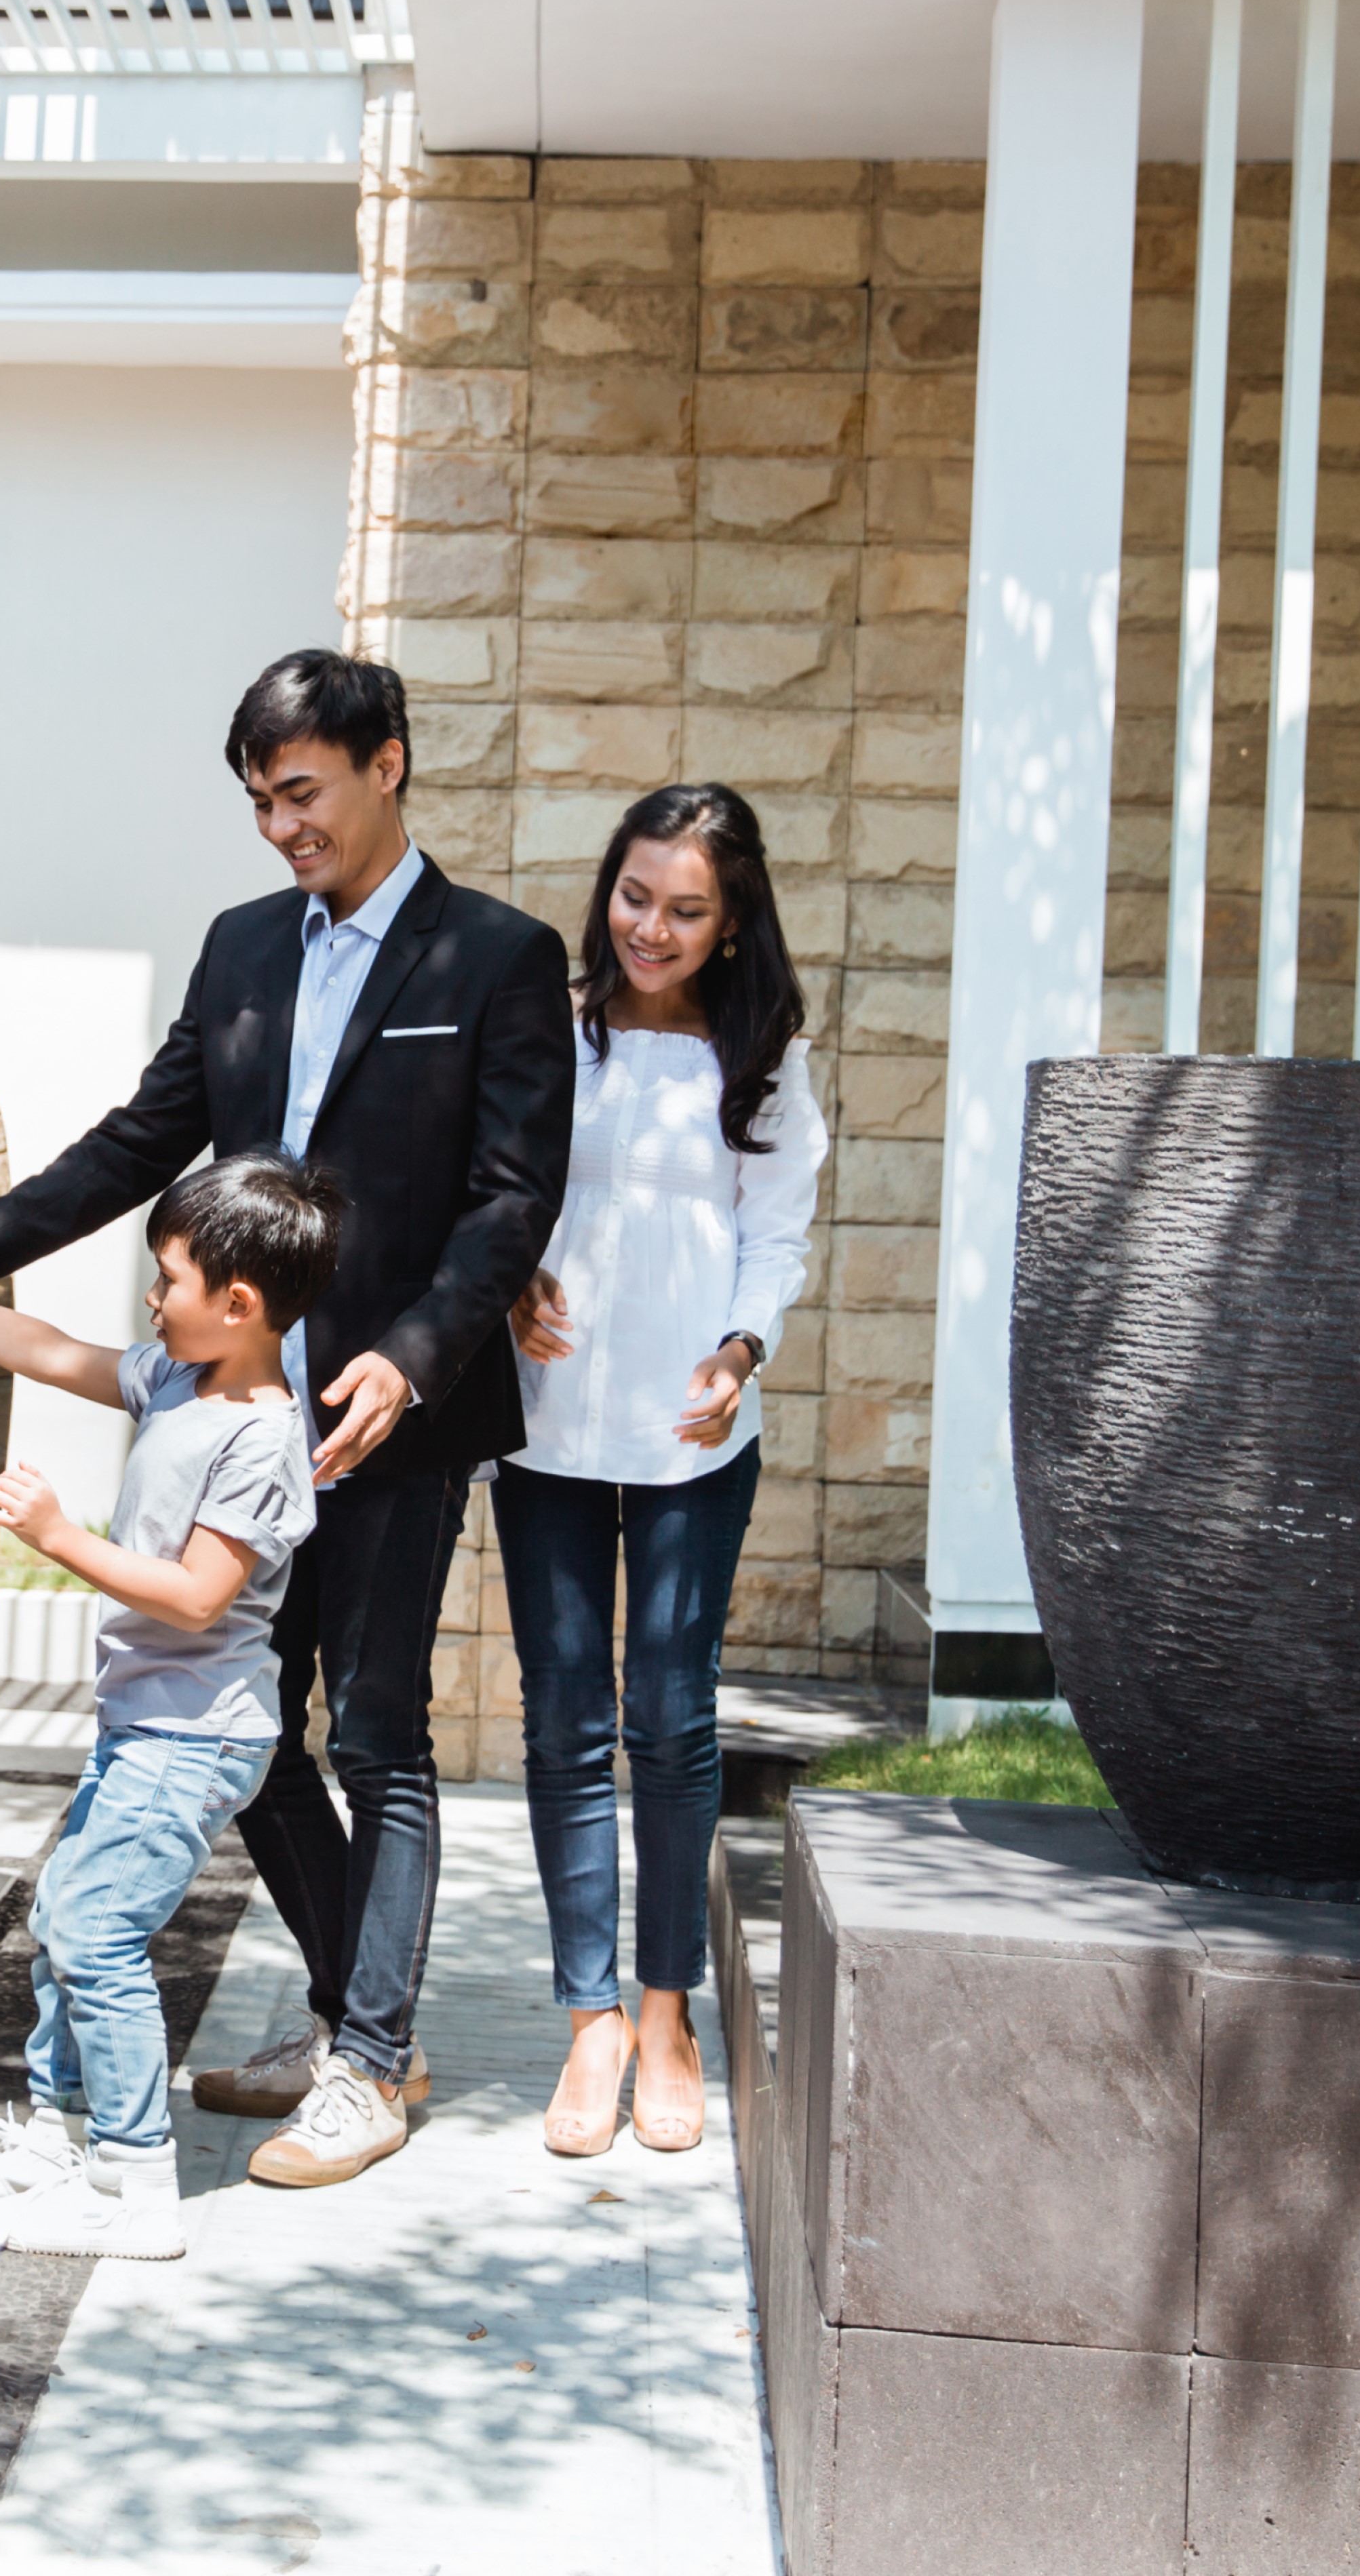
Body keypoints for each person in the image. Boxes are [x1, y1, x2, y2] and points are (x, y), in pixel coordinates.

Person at [0, 649, 570, 2191]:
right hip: (233, 1410)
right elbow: (143, 1135)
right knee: (248, 1733)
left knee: (375, 1730)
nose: (280, 828)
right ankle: (351, 2019)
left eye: (301, 792)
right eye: (259, 801)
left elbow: (514, 1196)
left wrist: (415, 1354)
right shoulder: (244, 945)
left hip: (389, 1418)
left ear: (388, 762)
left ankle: (372, 2065)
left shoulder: (500, 957)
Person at [0, 1154, 334, 2256]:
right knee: (65, 1923)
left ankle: (135, 2185)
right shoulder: (180, 1376)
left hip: (195, 1735)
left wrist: (61, 1537)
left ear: (240, 1303)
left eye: (166, 1279)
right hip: (148, 1723)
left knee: (98, 1934)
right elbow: (49, 1352)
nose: (149, 1299)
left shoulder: (263, 1439)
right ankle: (56, 2135)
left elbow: (197, 1596)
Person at [500, 784, 824, 2154]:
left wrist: (743, 1347)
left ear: (732, 918)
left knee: (673, 1719)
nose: (653, 926)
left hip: (694, 1435)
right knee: (568, 1712)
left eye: (687, 909)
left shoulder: (761, 1049)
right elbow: (501, 1180)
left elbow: (780, 1224)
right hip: (547, 1423)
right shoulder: (555, 1024)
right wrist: (508, 1278)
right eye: (638, 897)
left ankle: (664, 2010)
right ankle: (586, 2024)